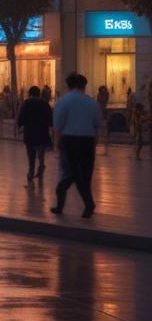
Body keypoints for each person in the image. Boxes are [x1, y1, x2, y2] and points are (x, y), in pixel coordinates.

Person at [51, 72, 102, 218]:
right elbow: (98, 125)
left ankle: (63, 204)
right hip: (87, 141)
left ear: (68, 85)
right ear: (84, 86)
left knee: (71, 173)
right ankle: (87, 205)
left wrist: (57, 145)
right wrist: (95, 142)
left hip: (69, 141)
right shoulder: (92, 102)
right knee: (84, 175)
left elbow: (58, 125)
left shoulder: (63, 101)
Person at [17, 85, 53, 182]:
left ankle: (31, 171)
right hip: (42, 131)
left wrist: (20, 126)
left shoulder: (27, 103)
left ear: (30, 94)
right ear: (39, 94)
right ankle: (41, 165)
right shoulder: (45, 104)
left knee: (31, 154)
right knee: (41, 151)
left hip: (30, 132)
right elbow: (50, 119)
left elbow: (21, 116)